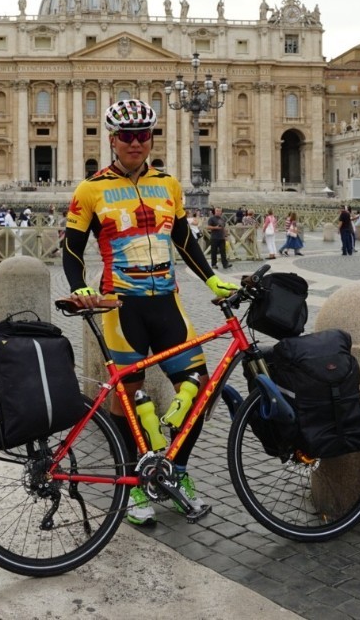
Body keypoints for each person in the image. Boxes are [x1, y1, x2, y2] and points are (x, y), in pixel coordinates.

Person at [63, 99, 237, 527]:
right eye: (127, 136)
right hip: (122, 305)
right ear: (112, 140)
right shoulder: (90, 189)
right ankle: (134, 483)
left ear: (152, 138)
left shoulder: (169, 186)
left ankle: (175, 472)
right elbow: (70, 248)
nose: (136, 143)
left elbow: (184, 240)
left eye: (144, 135)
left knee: (199, 387)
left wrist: (212, 280)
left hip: (168, 302)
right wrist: (78, 286)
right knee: (129, 401)